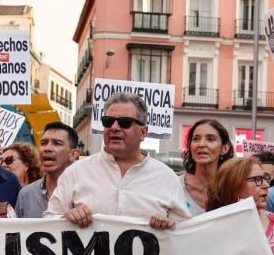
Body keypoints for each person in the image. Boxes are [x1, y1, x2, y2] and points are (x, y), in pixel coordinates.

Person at [46, 92, 189, 228]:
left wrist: (170, 226)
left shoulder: (166, 177)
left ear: (143, 132)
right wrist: (66, 218)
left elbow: (186, 231)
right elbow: (47, 222)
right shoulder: (76, 172)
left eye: (124, 122)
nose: (114, 127)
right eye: (108, 121)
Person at [15, 122, 79, 218]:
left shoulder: (86, 193)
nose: (47, 148)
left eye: (57, 143)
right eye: (43, 143)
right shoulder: (26, 195)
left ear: (73, 154)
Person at [180, 119, 233, 217]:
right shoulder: (175, 185)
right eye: (196, 139)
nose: (201, 144)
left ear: (224, 148)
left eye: (210, 139)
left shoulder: (233, 190)